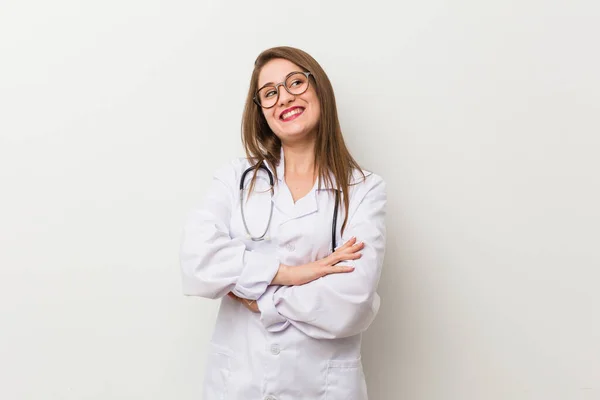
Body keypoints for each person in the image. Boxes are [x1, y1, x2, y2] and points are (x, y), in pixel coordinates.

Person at [179, 46, 387, 400]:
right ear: (260, 111)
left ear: (318, 87)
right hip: (238, 383)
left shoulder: (364, 189)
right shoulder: (235, 179)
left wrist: (261, 299)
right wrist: (294, 274)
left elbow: (351, 302)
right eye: (270, 93)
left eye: (296, 82)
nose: (284, 98)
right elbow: (197, 262)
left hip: (321, 387)